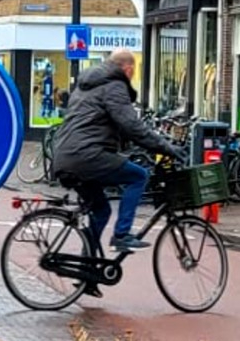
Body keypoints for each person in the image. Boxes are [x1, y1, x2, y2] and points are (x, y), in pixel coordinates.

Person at [50, 48, 179, 260]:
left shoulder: (85, 86)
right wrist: (165, 147)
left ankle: (87, 265)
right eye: (134, 70)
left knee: (101, 211)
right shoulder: (115, 86)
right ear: (127, 69)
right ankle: (122, 235)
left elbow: (99, 121)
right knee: (138, 176)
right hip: (87, 155)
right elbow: (131, 125)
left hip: (64, 155)